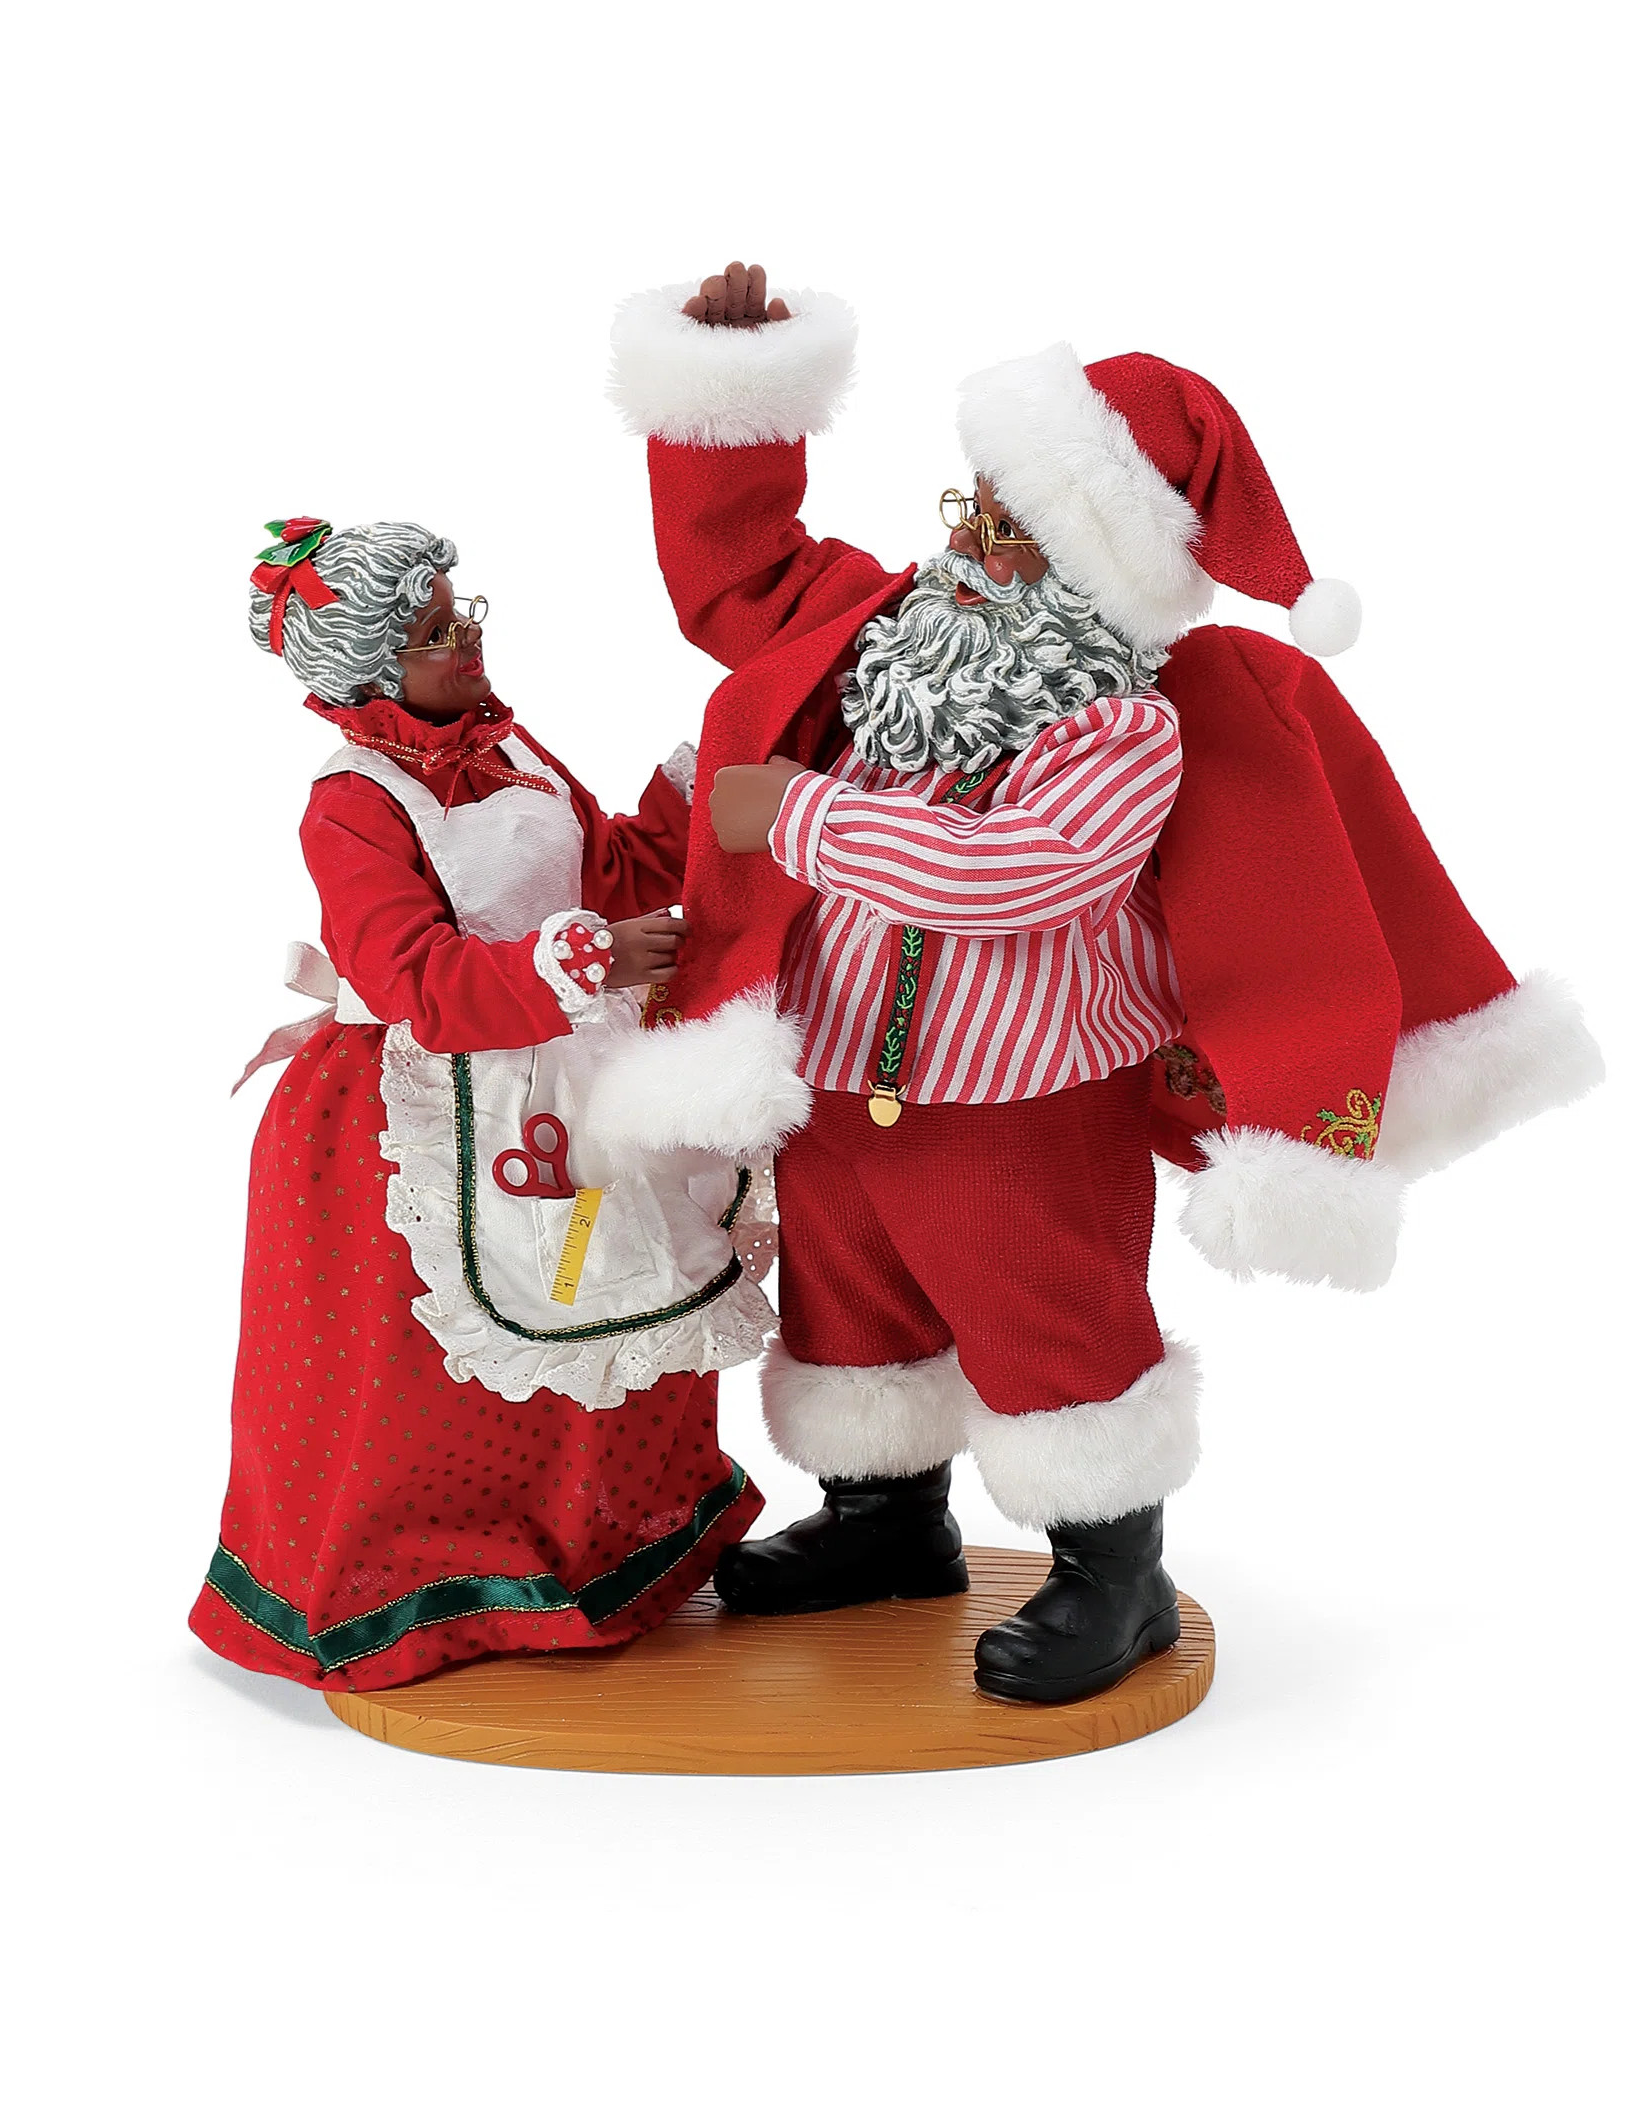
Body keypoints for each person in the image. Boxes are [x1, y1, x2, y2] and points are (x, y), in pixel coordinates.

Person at [608, 264, 1603, 1704]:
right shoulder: (882, 640)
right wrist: (733, 395)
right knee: (852, 1302)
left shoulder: (1124, 727)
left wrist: (804, 817)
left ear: (1101, 566)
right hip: (829, 1074)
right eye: (975, 504)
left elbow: (1024, 873)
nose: (970, 545)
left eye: (1014, 526)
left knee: (1048, 1321)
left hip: (1021, 1101)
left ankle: (1111, 1573)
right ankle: (884, 1522)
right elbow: (740, 572)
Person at [191, 517, 805, 1691]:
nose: (465, 640)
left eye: (460, 612)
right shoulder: (351, 802)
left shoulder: (508, 745)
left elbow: (609, 868)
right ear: (373, 666)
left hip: (564, 1075)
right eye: (433, 630)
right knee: (429, 1367)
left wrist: (703, 775)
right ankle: (433, 1583)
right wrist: (580, 964)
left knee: (602, 1296)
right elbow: (410, 978)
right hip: (418, 1112)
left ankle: (598, 1545)